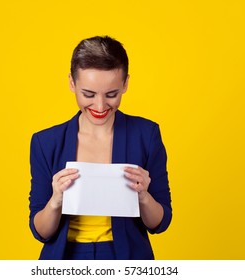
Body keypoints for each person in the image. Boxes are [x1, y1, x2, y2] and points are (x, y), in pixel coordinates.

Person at [29, 36, 172, 260]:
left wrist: (144, 195)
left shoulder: (146, 135)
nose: (100, 106)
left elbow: (161, 222)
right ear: (72, 83)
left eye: (111, 94)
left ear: (125, 84)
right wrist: (56, 199)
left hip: (128, 259)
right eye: (88, 94)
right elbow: (40, 231)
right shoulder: (46, 142)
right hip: (66, 260)